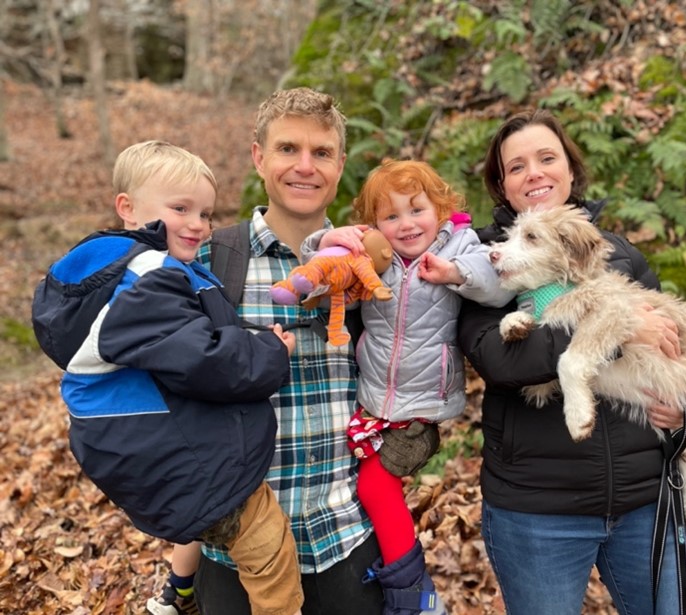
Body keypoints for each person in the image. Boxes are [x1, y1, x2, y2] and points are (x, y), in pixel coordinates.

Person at [31, 140, 303, 615]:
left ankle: (176, 594)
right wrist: (270, 352)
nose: (198, 225)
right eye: (181, 209)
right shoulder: (149, 275)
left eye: (206, 214)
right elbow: (202, 359)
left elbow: (186, 339)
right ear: (127, 208)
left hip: (132, 447)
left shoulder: (106, 273)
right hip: (174, 451)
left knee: (228, 531)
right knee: (270, 551)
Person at [193, 89, 439, 615]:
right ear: (258, 156)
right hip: (239, 550)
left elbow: (427, 343)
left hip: (348, 541)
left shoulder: (378, 262)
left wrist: (418, 426)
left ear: (340, 164)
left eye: (322, 153)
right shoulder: (212, 261)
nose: (305, 167)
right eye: (288, 149)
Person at [456, 109, 686, 614]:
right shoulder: (482, 260)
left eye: (547, 158)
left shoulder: (618, 254)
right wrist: (617, 332)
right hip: (539, 513)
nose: (535, 173)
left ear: (570, 171)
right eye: (517, 166)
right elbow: (502, 363)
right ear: (502, 186)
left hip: (647, 501)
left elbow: (672, 347)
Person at [304, 159, 512, 613]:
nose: (406, 224)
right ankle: (383, 574)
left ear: (439, 208)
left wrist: (454, 273)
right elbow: (319, 269)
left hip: (422, 407)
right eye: (391, 216)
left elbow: (497, 283)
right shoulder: (373, 254)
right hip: (372, 401)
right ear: (374, 223)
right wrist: (324, 240)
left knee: (374, 487)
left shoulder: (460, 244)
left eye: (416, 210)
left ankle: (413, 594)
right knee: (359, 488)